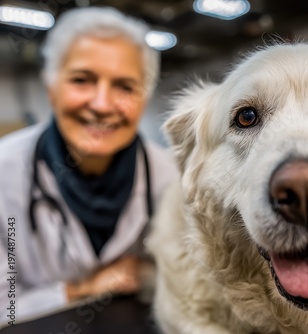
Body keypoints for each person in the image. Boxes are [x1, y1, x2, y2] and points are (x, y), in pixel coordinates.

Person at [0, 7, 177, 325]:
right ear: (50, 87)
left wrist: (149, 273)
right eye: (82, 80)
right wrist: (81, 289)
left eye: (125, 87)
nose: (101, 104)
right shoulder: (5, 171)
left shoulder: (171, 177)